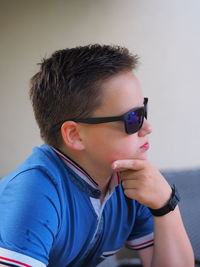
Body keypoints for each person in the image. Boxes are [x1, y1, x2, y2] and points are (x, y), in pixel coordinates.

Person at [0, 44, 194, 267]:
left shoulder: (132, 181)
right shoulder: (35, 192)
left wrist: (166, 206)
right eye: (133, 118)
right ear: (75, 135)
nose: (147, 127)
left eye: (144, 111)